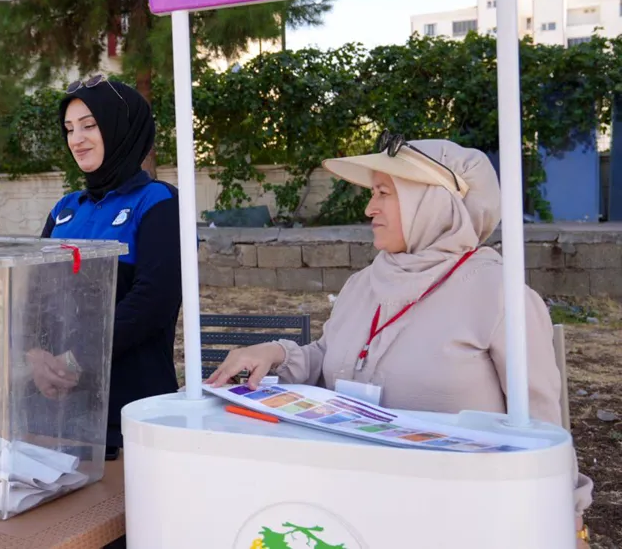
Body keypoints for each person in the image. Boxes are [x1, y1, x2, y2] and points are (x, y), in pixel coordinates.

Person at [206, 136, 592, 547]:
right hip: (351, 510)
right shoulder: (363, 283)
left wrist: (568, 520)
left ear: (435, 202)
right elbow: (330, 358)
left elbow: (543, 426)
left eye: (384, 193)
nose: (369, 208)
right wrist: (276, 352)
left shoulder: (499, 296)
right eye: (373, 193)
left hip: (461, 522)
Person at [36, 75, 183, 453]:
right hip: (54, 408)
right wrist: (34, 355)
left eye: (89, 125)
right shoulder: (65, 209)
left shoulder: (158, 202)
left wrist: (76, 358)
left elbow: (154, 300)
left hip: (129, 414)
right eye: (69, 129)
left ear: (122, 127)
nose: (76, 139)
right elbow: (31, 292)